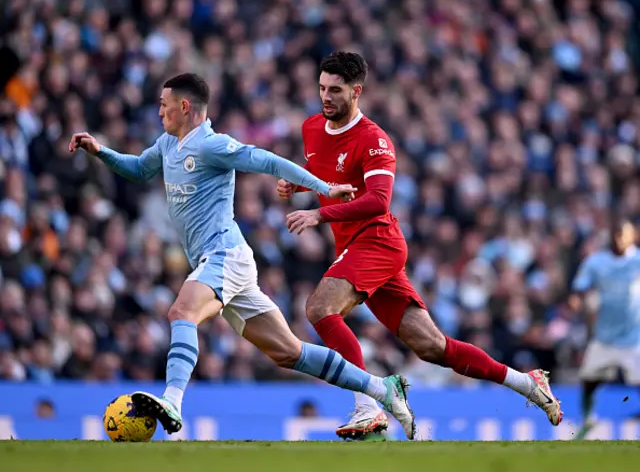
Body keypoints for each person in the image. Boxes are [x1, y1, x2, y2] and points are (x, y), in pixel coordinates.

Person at [68, 73, 416, 439]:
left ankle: (172, 400)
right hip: (220, 261)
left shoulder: (211, 146)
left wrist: (324, 188)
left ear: (184, 107)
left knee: (181, 311)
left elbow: (267, 161)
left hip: (225, 254)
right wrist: (101, 152)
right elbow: (138, 169)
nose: (159, 112)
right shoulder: (168, 145)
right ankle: (382, 389)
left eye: (163, 104)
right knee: (288, 352)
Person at [278, 52, 563, 440]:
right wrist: (299, 184)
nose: (325, 97)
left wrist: (318, 215)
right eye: (322, 88)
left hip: (376, 241)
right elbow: (326, 172)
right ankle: (527, 384)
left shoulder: (374, 139)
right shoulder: (312, 127)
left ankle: (368, 406)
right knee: (432, 347)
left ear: (357, 91)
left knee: (319, 308)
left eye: (336, 90)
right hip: (358, 248)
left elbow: (379, 200)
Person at [570, 217, 640, 440]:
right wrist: (577, 302)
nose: (620, 239)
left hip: (634, 337)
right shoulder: (596, 263)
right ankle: (589, 419)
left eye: (624, 234)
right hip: (604, 337)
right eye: (616, 233)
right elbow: (579, 289)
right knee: (589, 378)